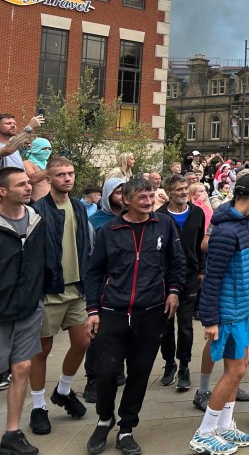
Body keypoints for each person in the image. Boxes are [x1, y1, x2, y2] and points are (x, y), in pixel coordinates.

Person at [84, 177, 186, 455]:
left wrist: (174, 291)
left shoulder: (164, 225)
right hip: (113, 312)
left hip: (151, 312)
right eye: (142, 196)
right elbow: (93, 273)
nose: (149, 201)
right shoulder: (109, 230)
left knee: (140, 373)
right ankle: (105, 419)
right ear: (126, 200)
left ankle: (127, 427)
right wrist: (92, 310)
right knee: (105, 372)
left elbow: (177, 261)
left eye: (151, 196)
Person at [190, 173, 249, 454]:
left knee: (238, 368)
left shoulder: (246, 223)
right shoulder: (226, 232)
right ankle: (204, 432)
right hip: (228, 312)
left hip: (243, 308)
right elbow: (213, 277)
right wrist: (210, 319)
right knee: (234, 370)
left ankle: (224, 426)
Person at [29, 157, 94, 437]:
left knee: (83, 341)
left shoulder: (79, 207)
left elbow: (87, 245)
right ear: (49, 178)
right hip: (49, 290)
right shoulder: (38, 210)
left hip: (76, 289)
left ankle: (63, 391)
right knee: (41, 352)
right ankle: (38, 406)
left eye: (70, 174)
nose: (67, 178)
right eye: (60, 174)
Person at [0, 167, 44, 455]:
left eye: (29, 183)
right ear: (3, 191)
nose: (28, 188)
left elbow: (46, 258)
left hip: (28, 307)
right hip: (1, 311)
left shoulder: (36, 220)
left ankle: (12, 433)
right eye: (21, 184)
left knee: (23, 367)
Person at [156, 174, 207, 393]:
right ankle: (169, 364)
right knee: (165, 325)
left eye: (185, 188)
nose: (184, 192)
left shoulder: (197, 213)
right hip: (165, 278)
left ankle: (184, 365)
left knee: (185, 325)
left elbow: (199, 244)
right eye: (178, 189)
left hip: (189, 276)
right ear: (168, 193)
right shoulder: (159, 216)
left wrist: (202, 269)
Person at [81, 177, 126, 404]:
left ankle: (117, 368)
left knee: (122, 332)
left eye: (123, 191)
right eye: (116, 191)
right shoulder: (96, 221)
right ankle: (92, 379)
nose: (121, 195)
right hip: (103, 285)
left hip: (126, 286)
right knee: (97, 335)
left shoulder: (133, 217)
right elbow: (91, 256)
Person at [22, 138, 53, 203]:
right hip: (35, 204)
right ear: (36, 149)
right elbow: (32, 179)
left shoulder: (47, 164)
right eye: (44, 148)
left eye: (49, 149)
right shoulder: (27, 163)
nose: (47, 151)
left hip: (50, 204)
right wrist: (51, 168)